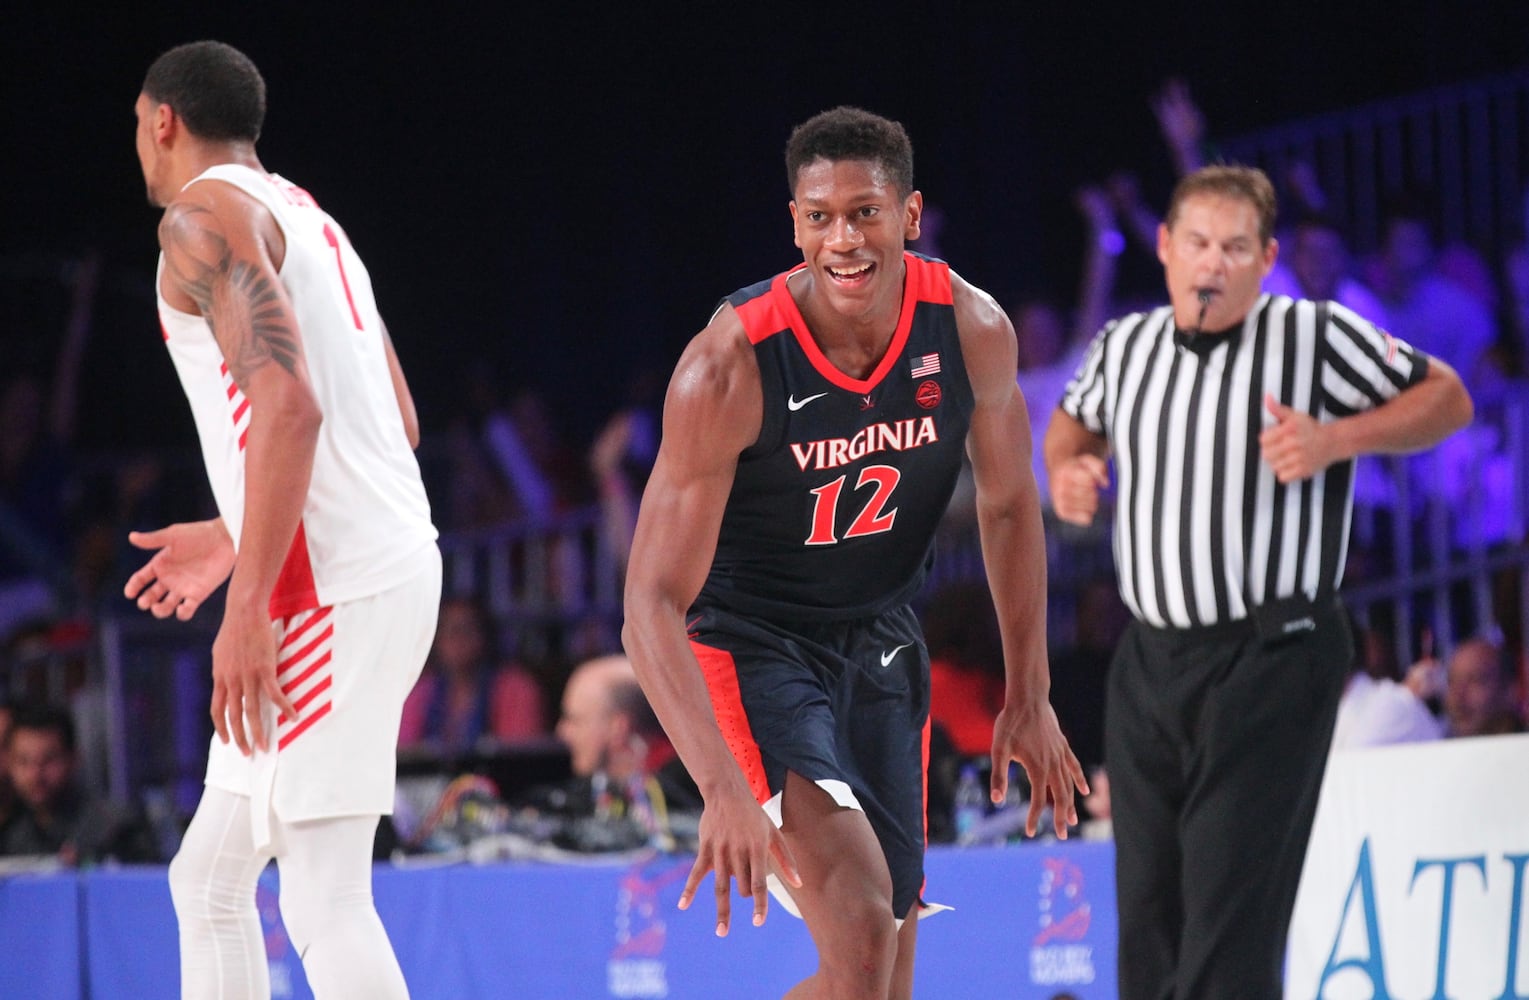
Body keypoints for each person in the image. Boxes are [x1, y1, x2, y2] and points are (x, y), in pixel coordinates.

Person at [621, 106, 1086, 1000]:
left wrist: (1029, 693)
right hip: (751, 639)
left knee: (880, 978)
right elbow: (648, 602)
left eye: (865, 212)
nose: (844, 239)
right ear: (794, 224)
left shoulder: (970, 330)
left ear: (909, 216)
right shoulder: (727, 365)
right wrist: (718, 784)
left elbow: (1008, 502)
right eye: (821, 216)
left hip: (877, 632)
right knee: (864, 929)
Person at [1045, 164, 1473, 999]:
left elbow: (1447, 398)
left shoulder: (1311, 336)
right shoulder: (1124, 346)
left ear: (1265, 258)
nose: (1212, 263)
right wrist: (1072, 471)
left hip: (1272, 653)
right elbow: (1070, 426)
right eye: (1197, 243)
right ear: (1165, 247)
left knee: (1227, 909)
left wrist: (1336, 439)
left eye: (1235, 248)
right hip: (1151, 663)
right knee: (1146, 915)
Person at [123, 41, 439, 999]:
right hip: (373, 568)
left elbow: (290, 408)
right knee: (209, 882)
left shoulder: (199, 218)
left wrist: (248, 600)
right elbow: (397, 422)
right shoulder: (315, 221)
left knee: (322, 899)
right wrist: (231, 535)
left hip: (326, 592)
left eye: (138, 127)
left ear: (163, 119)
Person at [0, 702, 159, 864]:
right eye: (24, 761)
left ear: (74, 759)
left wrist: (90, 863)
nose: (35, 774)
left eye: (48, 760)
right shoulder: (10, 832)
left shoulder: (116, 827)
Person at [555, 654, 700, 818]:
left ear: (618, 728)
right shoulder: (589, 793)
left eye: (575, 720)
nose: (562, 732)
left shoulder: (681, 793)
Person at [398, 595, 546, 755]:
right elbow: (404, 754)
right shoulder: (421, 692)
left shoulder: (516, 689)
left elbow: (519, 759)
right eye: (446, 630)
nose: (456, 639)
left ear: (485, 634)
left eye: (465, 629)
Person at [1441, 635, 1525, 738]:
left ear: (1510, 692)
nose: (1458, 695)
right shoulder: (1435, 748)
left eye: (1475, 680)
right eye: (1451, 681)